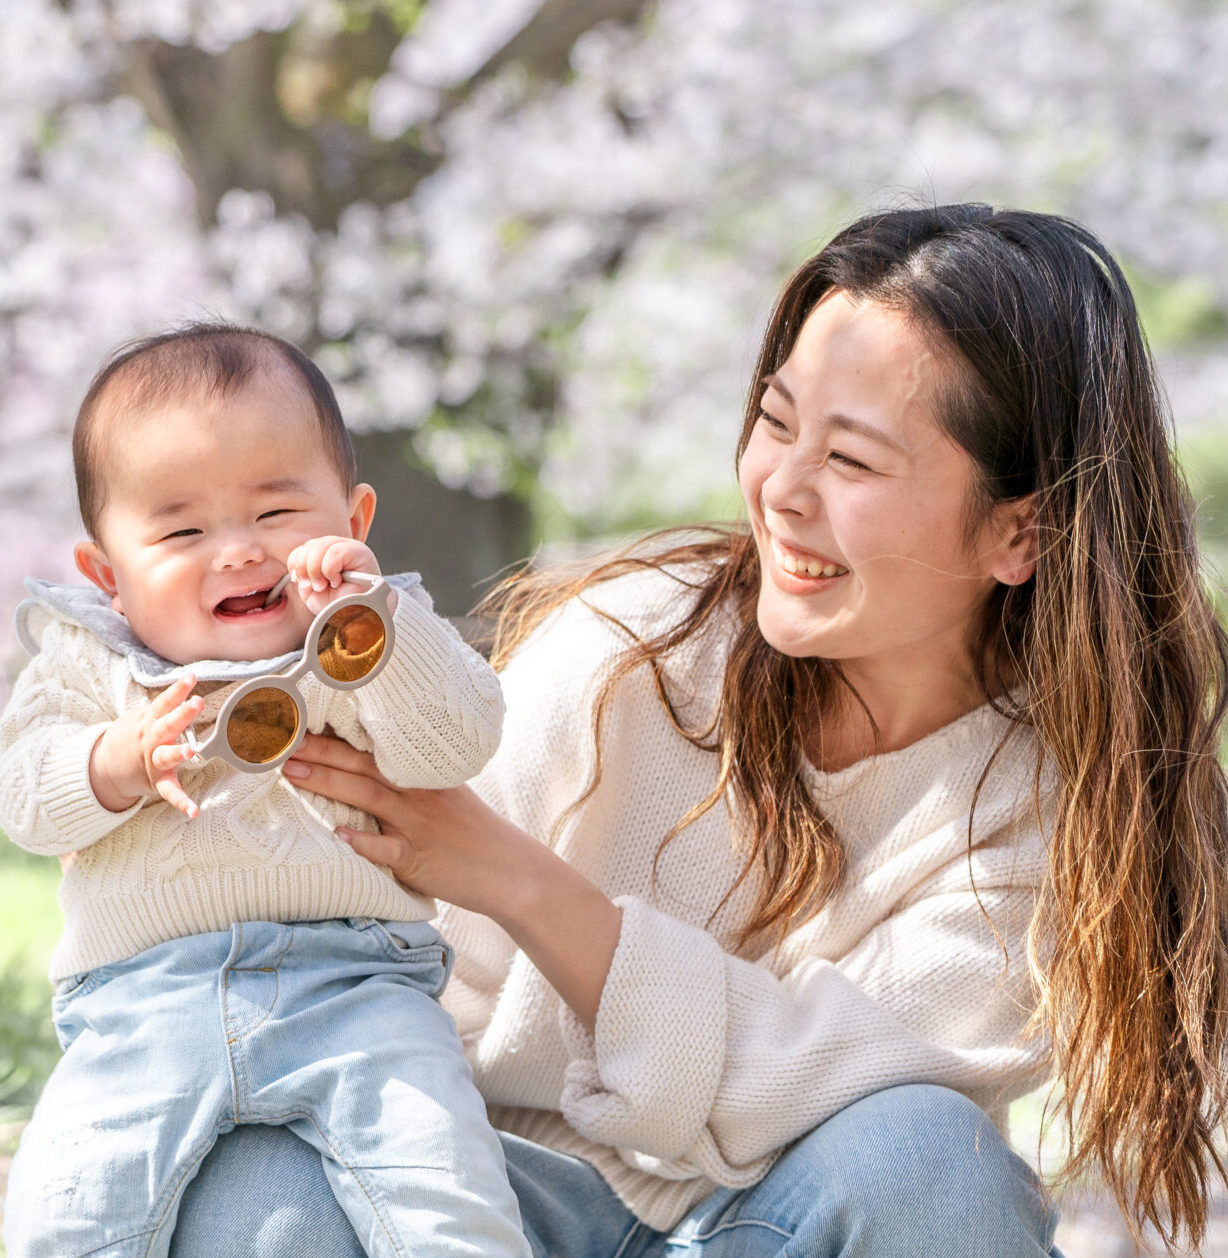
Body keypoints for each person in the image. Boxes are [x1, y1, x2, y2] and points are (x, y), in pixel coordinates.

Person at [176, 206, 1227, 1256]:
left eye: (851, 463)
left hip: (774, 1226)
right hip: (474, 1199)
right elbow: (391, 1003)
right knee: (259, 1175)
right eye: (775, 423)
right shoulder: (624, 656)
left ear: (1019, 530)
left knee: (932, 1157)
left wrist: (528, 886)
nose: (779, 491)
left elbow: (836, 1092)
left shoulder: (1058, 813)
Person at [0, 325, 531, 1258]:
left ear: (353, 521)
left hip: (360, 988)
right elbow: (24, 802)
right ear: (108, 576)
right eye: (182, 530)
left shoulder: (364, 637)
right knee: (68, 1216)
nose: (239, 552)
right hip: (140, 1005)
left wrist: (379, 623)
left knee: (447, 1195)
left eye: (277, 513)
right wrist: (112, 764)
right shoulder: (84, 663)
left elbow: (458, 741)